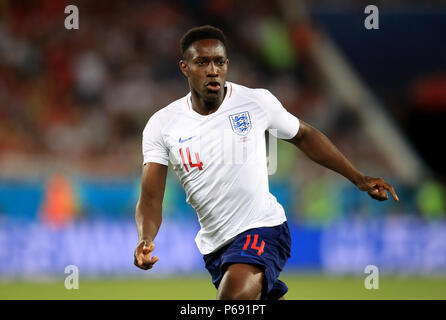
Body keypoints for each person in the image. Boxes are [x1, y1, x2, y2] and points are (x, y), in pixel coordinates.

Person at [133, 25, 399, 300]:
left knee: (232, 301)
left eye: (219, 62)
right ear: (185, 67)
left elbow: (304, 135)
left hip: (263, 228)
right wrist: (145, 238)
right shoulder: (162, 125)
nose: (213, 70)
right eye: (202, 62)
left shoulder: (255, 102)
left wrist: (358, 178)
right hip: (215, 247)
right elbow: (151, 198)